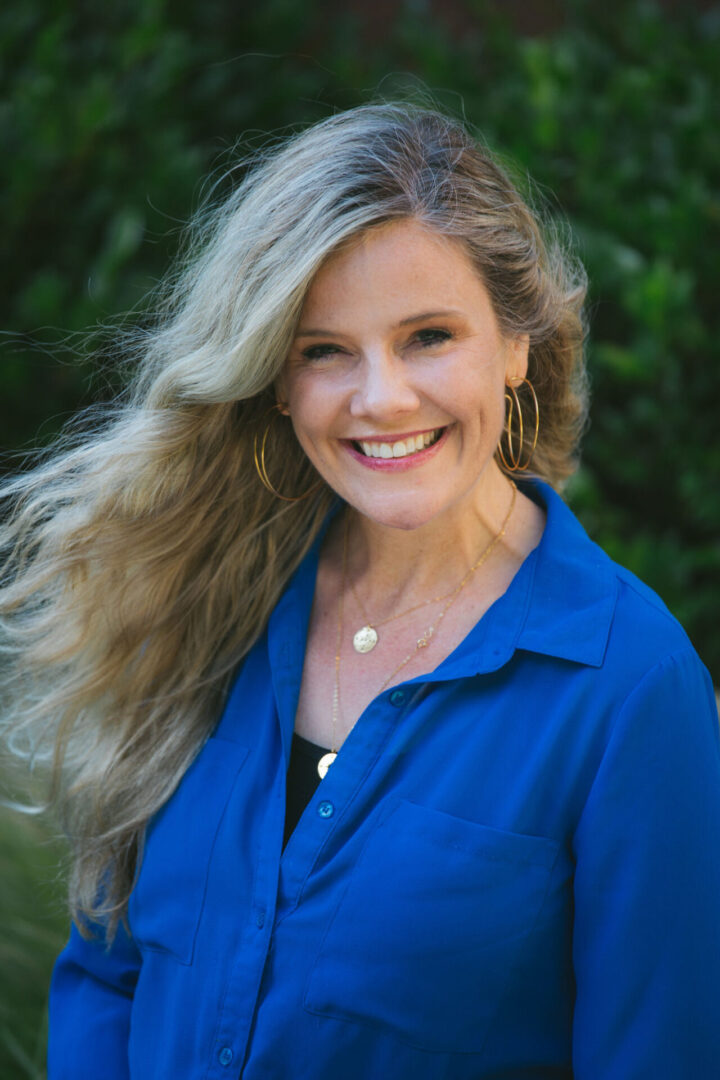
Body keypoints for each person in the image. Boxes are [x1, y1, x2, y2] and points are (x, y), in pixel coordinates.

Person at [2, 102, 719, 1080]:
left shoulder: (629, 688)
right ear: (278, 381)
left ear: (515, 347)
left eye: (428, 336)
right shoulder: (213, 597)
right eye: (324, 349)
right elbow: (109, 973)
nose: (379, 397)